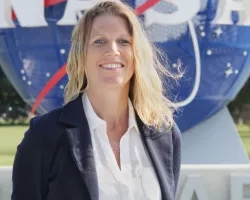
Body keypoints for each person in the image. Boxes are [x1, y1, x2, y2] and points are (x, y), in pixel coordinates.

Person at [11, 0, 182, 200]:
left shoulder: (164, 134)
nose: (113, 50)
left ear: (137, 55)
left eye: (123, 41)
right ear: (81, 56)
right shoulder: (44, 135)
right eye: (99, 41)